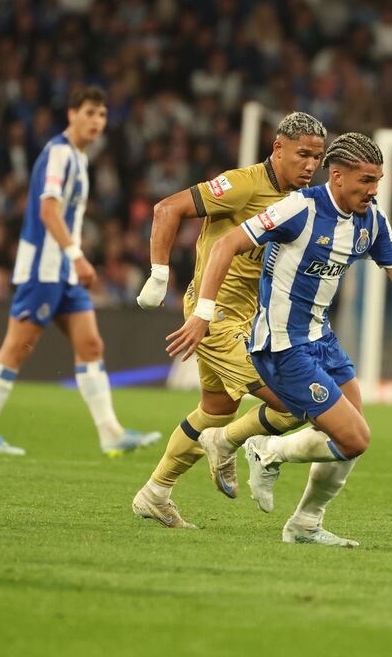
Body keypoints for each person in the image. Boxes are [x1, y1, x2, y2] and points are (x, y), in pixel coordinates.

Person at [169, 133, 392, 546]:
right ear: (338, 175)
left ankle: (305, 522)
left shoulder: (372, 221)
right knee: (355, 438)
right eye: (366, 180)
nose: (373, 190)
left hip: (321, 339)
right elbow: (225, 246)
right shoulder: (299, 208)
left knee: (352, 433)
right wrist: (202, 313)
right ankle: (265, 450)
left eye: (377, 180)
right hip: (281, 346)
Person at [130, 112, 326, 529]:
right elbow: (167, 208)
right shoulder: (242, 185)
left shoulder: (301, 199)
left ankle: (155, 494)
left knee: (217, 409)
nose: (311, 165)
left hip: (249, 320)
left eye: (318, 158)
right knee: (297, 402)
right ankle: (225, 444)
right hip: (213, 318)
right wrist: (159, 275)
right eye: (303, 155)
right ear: (278, 148)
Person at [0, 86, 160, 457]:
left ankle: (111, 433)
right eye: (89, 112)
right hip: (44, 268)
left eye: (102, 114)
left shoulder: (79, 158)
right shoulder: (58, 153)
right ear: (71, 114)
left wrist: (72, 260)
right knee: (17, 347)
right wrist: (77, 255)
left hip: (65, 272)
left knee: (91, 345)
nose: (96, 121)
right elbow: (48, 211)